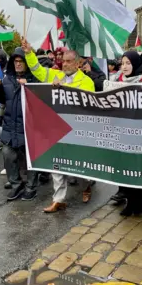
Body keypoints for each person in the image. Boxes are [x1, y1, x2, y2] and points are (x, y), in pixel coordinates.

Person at [21, 39, 95, 212]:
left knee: (78, 166)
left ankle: (86, 186)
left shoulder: (87, 82)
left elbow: (89, 106)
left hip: (77, 130)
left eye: (69, 61)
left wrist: (66, 91)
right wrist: (29, 53)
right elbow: (37, 70)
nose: (65, 64)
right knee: (57, 164)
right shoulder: (56, 75)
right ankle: (59, 199)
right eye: (63, 61)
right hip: (57, 128)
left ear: (78, 63)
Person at [0, 47, 40, 201]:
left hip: (29, 126)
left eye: (21, 61)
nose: (18, 64)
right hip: (9, 126)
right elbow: (2, 100)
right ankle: (16, 185)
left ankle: (31, 187)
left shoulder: (35, 78)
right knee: (7, 155)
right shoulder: (7, 79)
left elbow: (41, 101)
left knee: (30, 159)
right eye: (16, 61)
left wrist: (30, 86)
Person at [110, 51, 142, 213]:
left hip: (138, 133)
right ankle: (128, 198)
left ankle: (138, 202)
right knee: (123, 166)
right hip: (120, 131)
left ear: (135, 64)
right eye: (123, 63)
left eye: (128, 63)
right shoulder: (115, 80)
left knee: (137, 168)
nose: (125, 66)